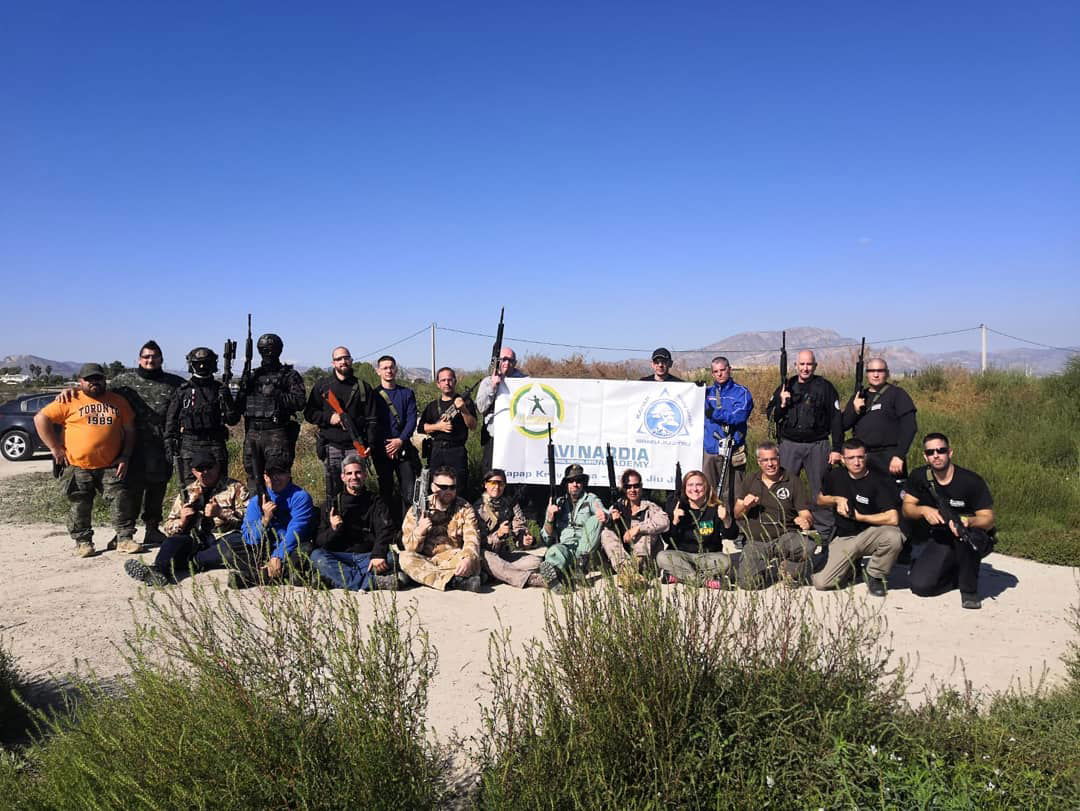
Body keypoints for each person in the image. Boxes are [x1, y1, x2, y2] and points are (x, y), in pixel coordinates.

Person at [34, 363, 139, 556]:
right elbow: (41, 419)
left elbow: (130, 430)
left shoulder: (118, 401)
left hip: (111, 464)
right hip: (77, 465)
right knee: (80, 504)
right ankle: (83, 542)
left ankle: (124, 539)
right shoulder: (70, 399)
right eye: (89, 380)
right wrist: (55, 448)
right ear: (80, 381)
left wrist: (125, 455)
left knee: (121, 500)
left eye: (98, 379)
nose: (94, 383)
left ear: (104, 380)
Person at [89, 341, 184, 546]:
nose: (150, 360)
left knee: (157, 488)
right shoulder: (123, 381)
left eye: (155, 356)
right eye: (146, 356)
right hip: (129, 446)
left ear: (161, 359)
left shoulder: (175, 383)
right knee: (127, 490)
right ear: (139, 359)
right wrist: (71, 394)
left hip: (160, 446)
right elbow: (98, 395)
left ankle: (152, 529)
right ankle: (124, 533)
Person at [122, 452, 249, 586]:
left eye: (209, 467)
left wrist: (221, 513)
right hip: (194, 541)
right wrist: (182, 521)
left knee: (234, 543)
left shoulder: (236, 488)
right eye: (200, 469)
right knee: (173, 541)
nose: (205, 472)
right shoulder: (187, 493)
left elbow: (250, 519)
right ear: (194, 471)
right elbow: (168, 526)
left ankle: (189, 563)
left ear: (217, 467)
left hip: (222, 539)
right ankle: (157, 571)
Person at [902, 433, 996, 609]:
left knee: (967, 541)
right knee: (920, 586)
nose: (936, 455)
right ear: (925, 456)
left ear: (950, 452)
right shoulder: (919, 476)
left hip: (970, 535)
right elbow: (907, 507)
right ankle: (956, 573)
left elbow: (988, 518)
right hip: (941, 536)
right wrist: (923, 510)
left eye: (941, 450)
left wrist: (968, 522)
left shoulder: (970, 481)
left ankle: (969, 590)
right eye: (931, 452)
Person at [766, 349, 843, 538]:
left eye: (809, 364)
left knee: (820, 488)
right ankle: (784, 527)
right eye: (802, 364)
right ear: (795, 366)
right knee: (783, 486)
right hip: (790, 445)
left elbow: (836, 420)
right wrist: (782, 403)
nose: (805, 368)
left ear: (815, 366)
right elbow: (771, 416)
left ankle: (825, 532)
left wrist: (837, 449)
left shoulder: (825, 387)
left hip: (817, 445)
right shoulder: (786, 386)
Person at [812, 439, 903, 596]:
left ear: (866, 457)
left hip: (871, 533)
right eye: (851, 458)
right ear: (842, 458)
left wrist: (860, 517)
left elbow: (893, 518)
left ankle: (875, 575)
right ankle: (851, 567)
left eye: (860, 457)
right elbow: (820, 499)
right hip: (844, 537)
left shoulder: (880, 480)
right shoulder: (835, 475)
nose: (856, 462)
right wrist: (836, 499)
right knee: (821, 583)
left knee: (894, 536)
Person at [308, 453, 401, 592]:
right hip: (340, 557)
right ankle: (373, 582)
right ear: (343, 477)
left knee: (392, 558)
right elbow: (320, 542)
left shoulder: (376, 502)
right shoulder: (331, 505)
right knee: (317, 557)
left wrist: (378, 555)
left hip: (367, 557)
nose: (354, 477)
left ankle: (334, 580)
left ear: (364, 475)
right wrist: (333, 529)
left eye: (358, 473)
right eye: (349, 473)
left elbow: (385, 531)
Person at [733, 441, 816, 588]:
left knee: (807, 546)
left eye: (773, 459)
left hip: (784, 537)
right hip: (757, 540)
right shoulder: (751, 480)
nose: (770, 464)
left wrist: (806, 521)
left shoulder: (792, 481)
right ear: (759, 462)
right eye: (765, 460)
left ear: (779, 459)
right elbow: (737, 514)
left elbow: (806, 514)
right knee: (747, 583)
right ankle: (769, 571)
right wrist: (746, 506)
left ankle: (789, 568)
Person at [234, 332, 306, 496]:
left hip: (276, 432)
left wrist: (278, 395)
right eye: (264, 350)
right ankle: (257, 516)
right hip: (253, 433)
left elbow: (300, 402)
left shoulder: (289, 375)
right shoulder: (252, 376)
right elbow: (238, 407)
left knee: (279, 478)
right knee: (253, 478)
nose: (268, 353)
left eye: (271, 349)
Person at [303, 346, 377, 503]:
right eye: (338, 359)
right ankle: (334, 523)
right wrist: (329, 418)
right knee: (333, 492)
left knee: (357, 490)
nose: (343, 361)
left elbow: (372, 419)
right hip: (332, 446)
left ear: (351, 360)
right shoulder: (322, 386)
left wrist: (370, 443)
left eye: (346, 358)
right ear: (333, 362)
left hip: (356, 447)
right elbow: (309, 413)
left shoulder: (363, 387)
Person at [229, 455, 317, 588]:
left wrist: (278, 556)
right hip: (266, 547)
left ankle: (258, 576)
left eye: (280, 473)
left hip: (291, 547)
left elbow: (295, 532)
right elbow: (249, 537)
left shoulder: (300, 497)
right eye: (271, 474)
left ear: (288, 475)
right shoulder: (256, 501)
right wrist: (265, 520)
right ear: (265, 477)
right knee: (232, 550)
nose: (275, 478)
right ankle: (284, 574)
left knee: (305, 552)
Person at [164, 346, 240, 486]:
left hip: (215, 444)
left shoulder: (220, 389)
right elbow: (171, 421)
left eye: (206, 363)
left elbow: (233, 420)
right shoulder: (183, 391)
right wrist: (169, 443)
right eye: (198, 363)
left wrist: (227, 399)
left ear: (213, 365)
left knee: (220, 490)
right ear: (191, 365)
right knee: (190, 491)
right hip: (190, 445)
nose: (202, 366)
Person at [399, 466, 483, 591]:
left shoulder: (465, 508)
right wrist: (419, 531)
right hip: (425, 559)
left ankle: (418, 577)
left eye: (452, 487)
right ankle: (455, 582)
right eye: (443, 487)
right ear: (433, 487)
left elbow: (472, 538)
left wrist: (467, 558)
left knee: (474, 560)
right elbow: (410, 548)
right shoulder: (417, 509)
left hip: (452, 557)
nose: (448, 491)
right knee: (405, 558)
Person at [656, 470, 737, 587]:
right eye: (690, 485)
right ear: (684, 488)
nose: (695, 489)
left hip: (707, 557)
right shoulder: (677, 506)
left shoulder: (715, 507)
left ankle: (679, 576)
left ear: (706, 487)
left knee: (726, 561)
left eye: (699, 485)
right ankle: (706, 581)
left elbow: (732, 535)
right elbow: (668, 540)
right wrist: (675, 521)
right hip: (682, 555)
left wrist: (726, 519)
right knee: (662, 557)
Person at [841, 358, 917, 481]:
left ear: (887, 373)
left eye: (880, 371)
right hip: (863, 458)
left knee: (893, 497)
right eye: (871, 371)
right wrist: (854, 410)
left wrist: (899, 455)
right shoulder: (859, 396)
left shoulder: (897, 394)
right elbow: (844, 425)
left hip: (890, 457)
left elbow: (910, 427)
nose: (876, 375)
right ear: (866, 374)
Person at [473, 468, 547, 589]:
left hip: (503, 554)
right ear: (485, 484)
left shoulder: (510, 504)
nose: (497, 487)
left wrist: (524, 538)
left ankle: (494, 575)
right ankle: (531, 579)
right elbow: (476, 542)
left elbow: (519, 527)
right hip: (484, 555)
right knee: (487, 557)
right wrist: (498, 535)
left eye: (500, 483)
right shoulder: (477, 509)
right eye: (493, 483)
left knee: (535, 561)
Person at [539, 464, 607, 593]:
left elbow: (602, 510)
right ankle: (556, 575)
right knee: (554, 551)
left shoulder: (591, 499)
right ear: (566, 484)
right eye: (571, 481)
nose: (575, 484)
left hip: (585, 549)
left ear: (583, 483)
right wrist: (549, 518)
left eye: (578, 481)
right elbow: (546, 538)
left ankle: (578, 568)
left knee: (596, 518)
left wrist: (603, 514)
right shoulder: (558, 502)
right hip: (566, 548)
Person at [600, 468, 669, 589]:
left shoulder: (649, 506)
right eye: (628, 486)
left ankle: (631, 574)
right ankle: (629, 573)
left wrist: (638, 528)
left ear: (641, 487)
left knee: (645, 531)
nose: (632, 490)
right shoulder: (617, 506)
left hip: (646, 561)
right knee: (606, 533)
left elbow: (664, 522)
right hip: (624, 559)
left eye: (636, 486)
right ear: (624, 488)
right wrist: (611, 521)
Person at [372, 355, 419, 525]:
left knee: (408, 492)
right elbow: (373, 423)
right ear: (378, 371)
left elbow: (412, 419)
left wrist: (399, 441)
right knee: (385, 492)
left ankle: (407, 529)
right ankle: (387, 529)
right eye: (384, 368)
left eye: (391, 367)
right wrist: (386, 445)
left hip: (403, 448)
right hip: (382, 451)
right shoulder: (373, 395)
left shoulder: (406, 393)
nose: (388, 370)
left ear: (396, 369)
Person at [418, 367, 477, 495]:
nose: (447, 383)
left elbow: (473, 426)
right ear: (438, 384)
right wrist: (438, 427)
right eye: (443, 380)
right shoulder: (433, 406)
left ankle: (460, 514)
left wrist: (463, 410)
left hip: (457, 450)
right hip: (437, 451)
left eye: (450, 379)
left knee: (459, 487)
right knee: (435, 488)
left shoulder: (465, 402)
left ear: (455, 382)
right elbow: (421, 428)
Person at [702, 356, 754, 493]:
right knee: (709, 493)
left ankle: (734, 515)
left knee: (734, 492)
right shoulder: (706, 392)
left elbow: (738, 416)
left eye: (723, 370)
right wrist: (695, 389)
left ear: (729, 369)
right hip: (710, 450)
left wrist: (713, 413)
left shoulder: (741, 392)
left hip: (733, 449)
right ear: (712, 373)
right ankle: (712, 515)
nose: (719, 374)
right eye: (716, 371)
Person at [475, 347, 527, 471]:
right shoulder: (487, 381)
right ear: (498, 361)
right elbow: (481, 407)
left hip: (517, 438)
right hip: (494, 438)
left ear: (515, 363)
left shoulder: (525, 382)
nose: (507, 363)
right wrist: (493, 386)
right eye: (504, 359)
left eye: (511, 360)